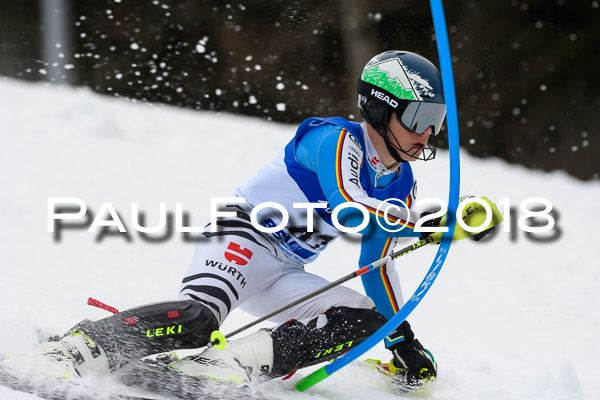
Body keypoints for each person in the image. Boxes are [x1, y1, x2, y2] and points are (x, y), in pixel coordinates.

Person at [38, 50, 493, 392]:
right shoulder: (333, 139)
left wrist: (402, 340)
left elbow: (378, 264)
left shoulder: (401, 181)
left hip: (285, 269)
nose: (428, 133)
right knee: (199, 320)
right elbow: (348, 207)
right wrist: (424, 223)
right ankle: (83, 347)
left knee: (366, 319)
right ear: (379, 108)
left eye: (437, 119)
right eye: (418, 117)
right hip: (242, 238)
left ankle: (230, 365)